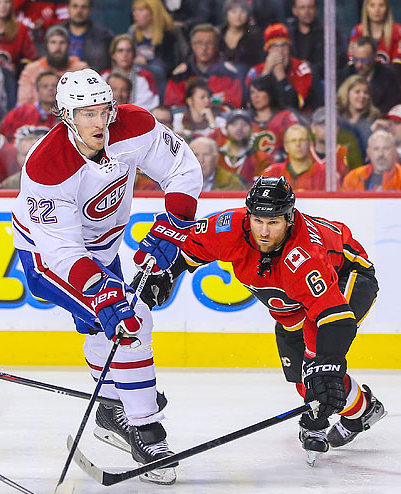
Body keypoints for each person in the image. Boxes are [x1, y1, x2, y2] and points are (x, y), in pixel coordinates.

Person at [11, 69, 202, 484]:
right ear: (66, 116)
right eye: (87, 114)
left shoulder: (134, 125)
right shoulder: (47, 167)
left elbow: (183, 170)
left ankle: (112, 407)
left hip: (103, 247)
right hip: (48, 257)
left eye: (104, 110)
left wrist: (175, 223)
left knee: (109, 326)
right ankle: (146, 429)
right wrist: (101, 291)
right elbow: (61, 251)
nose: (99, 122)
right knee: (129, 317)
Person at [141, 176, 384, 465]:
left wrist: (328, 366)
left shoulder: (304, 256)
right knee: (301, 375)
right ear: (248, 216)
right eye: (258, 221)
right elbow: (194, 249)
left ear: (289, 219)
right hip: (291, 304)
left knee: (317, 362)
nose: (264, 232)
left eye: (274, 222)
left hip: (349, 277)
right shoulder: (230, 226)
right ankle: (363, 410)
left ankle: (322, 416)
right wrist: (168, 273)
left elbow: (335, 319)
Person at [164, 24, 243, 110]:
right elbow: (173, 107)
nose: (204, 48)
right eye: (199, 43)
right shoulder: (180, 75)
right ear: (192, 46)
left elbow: (234, 106)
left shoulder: (230, 74)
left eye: (209, 43)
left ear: (217, 45)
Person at [244, 24, 314, 111]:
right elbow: (248, 104)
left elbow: (297, 105)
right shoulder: (256, 71)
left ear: (289, 48)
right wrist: (266, 73)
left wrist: (280, 75)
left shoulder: (301, 69)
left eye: (284, 45)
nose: (280, 51)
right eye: (275, 46)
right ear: (268, 50)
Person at [17, 25, 87, 106]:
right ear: (46, 45)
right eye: (53, 42)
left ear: (68, 45)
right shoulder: (31, 70)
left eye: (62, 42)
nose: (58, 47)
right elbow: (23, 104)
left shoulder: (81, 69)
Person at [127, 0, 181, 98]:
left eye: (141, 10)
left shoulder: (168, 35)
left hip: (160, 81)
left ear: (153, 13)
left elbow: (170, 65)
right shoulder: (133, 32)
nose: (135, 14)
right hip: (136, 79)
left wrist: (147, 64)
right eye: (134, 10)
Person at [337, 36, 401, 114]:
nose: (359, 65)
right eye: (355, 59)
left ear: (375, 57)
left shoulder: (389, 76)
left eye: (364, 60)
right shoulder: (345, 74)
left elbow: (391, 107)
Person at [99, 35, 158, 111]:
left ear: (134, 54)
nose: (125, 54)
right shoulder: (104, 77)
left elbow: (148, 106)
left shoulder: (144, 78)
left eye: (128, 51)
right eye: (120, 50)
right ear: (113, 55)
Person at [248, 75, 300, 159]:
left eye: (260, 91)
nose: (255, 96)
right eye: (252, 92)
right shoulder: (245, 120)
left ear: (270, 92)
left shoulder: (285, 117)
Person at [262, 124, 326, 190]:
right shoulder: (273, 172)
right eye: (293, 140)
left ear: (310, 144)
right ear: (286, 146)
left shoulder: (324, 173)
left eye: (302, 140)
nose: (298, 144)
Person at [217, 109, 271, 185]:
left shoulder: (263, 159)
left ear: (252, 129)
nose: (239, 128)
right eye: (234, 124)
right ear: (226, 129)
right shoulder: (216, 157)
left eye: (244, 124)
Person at [58, 0, 113, 73]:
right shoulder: (55, 33)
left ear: (90, 10)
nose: (79, 11)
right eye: (75, 6)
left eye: (84, 7)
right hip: (60, 81)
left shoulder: (104, 37)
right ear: (68, 8)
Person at [1, 70, 59, 139]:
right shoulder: (19, 112)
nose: (50, 89)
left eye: (54, 86)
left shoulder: (67, 116)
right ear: (37, 90)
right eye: (45, 86)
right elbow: (3, 135)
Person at [218, 0, 264, 77]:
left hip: (247, 77)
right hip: (221, 77)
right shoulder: (219, 34)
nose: (238, 15)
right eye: (233, 12)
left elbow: (259, 64)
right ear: (226, 14)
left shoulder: (255, 36)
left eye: (242, 12)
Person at [337, 74, 381, 153]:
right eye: (357, 92)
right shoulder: (337, 117)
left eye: (366, 92)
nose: (362, 96)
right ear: (347, 93)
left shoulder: (375, 118)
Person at [349, 0, 401, 64]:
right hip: (363, 73)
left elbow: (398, 65)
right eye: (372, 5)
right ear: (366, 9)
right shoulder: (358, 31)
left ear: (387, 8)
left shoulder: (398, 31)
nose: (377, 10)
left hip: (391, 73)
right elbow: (351, 60)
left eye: (381, 5)